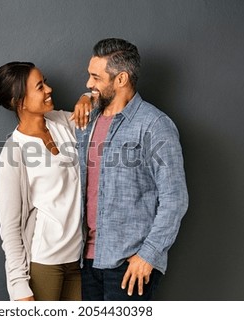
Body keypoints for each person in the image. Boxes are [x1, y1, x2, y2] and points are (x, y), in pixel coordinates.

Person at [71, 38, 189, 300]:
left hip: (129, 264)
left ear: (121, 79)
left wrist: (148, 254)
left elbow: (175, 199)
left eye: (95, 77)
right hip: (87, 261)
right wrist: (85, 97)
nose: (89, 84)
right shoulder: (87, 121)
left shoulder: (155, 125)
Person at [0, 62, 82, 301]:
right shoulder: (14, 152)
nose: (49, 89)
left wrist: (87, 98)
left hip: (77, 261)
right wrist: (19, 286)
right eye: (40, 86)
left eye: (45, 82)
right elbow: (9, 228)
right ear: (19, 101)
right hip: (44, 263)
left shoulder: (61, 122)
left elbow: (98, 113)